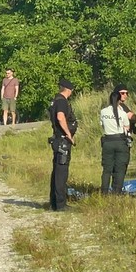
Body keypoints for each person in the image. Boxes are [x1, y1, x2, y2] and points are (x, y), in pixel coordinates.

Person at [99, 84, 135, 194]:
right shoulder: (123, 113)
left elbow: (102, 125)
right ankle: (117, 192)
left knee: (107, 169)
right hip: (120, 141)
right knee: (120, 169)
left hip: (108, 141)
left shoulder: (103, 112)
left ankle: (104, 192)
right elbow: (127, 127)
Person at [49, 79, 77, 211]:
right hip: (62, 141)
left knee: (57, 171)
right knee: (61, 172)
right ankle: (60, 205)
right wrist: (68, 134)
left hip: (57, 140)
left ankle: (54, 203)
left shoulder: (55, 99)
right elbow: (60, 117)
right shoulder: (61, 101)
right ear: (68, 89)